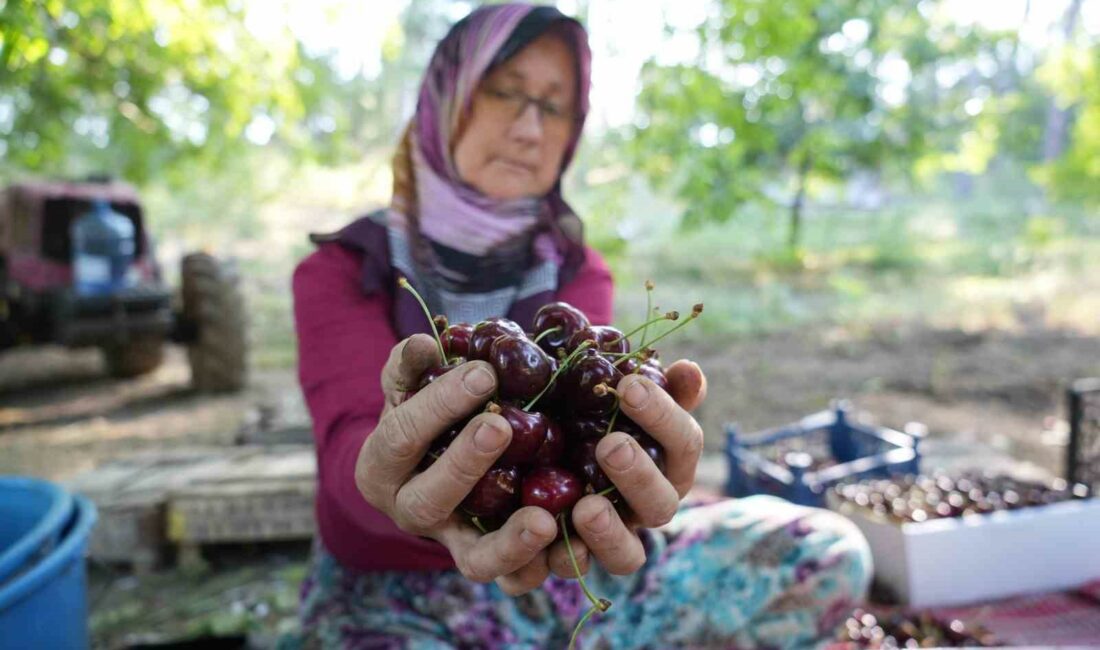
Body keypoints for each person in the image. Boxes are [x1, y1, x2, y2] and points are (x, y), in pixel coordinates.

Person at [286, 4, 871, 648]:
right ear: (444, 99)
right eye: (503, 91)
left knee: (826, 552)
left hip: (570, 583)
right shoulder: (344, 269)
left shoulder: (573, 267)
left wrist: (629, 478)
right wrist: (386, 481)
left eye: (555, 107)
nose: (529, 127)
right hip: (399, 592)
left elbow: (577, 429)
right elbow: (350, 449)